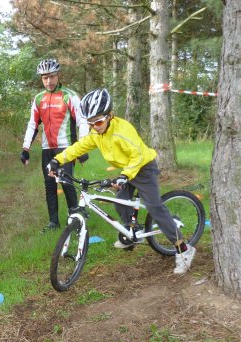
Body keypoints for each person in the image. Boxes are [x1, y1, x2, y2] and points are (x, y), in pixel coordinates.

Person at [46, 88, 195, 274]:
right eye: (90, 123)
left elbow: (138, 156)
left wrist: (125, 176)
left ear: (109, 115)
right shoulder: (97, 133)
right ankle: (133, 232)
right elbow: (79, 147)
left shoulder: (122, 131)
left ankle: (183, 250)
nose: (95, 126)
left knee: (154, 207)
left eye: (98, 121)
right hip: (127, 169)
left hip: (143, 167)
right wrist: (57, 160)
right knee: (120, 202)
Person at [21, 58, 89, 233]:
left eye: (51, 77)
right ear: (41, 79)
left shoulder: (69, 95)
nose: (48, 81)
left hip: (66, 147)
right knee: (50, 185)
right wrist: (25, 148)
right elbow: (32, 125)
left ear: (58, 75)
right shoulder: (38, 99)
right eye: (44, 78)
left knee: (66, 183)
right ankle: (53, 222)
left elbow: (82, 121)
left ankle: (75, 221)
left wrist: (82, 147)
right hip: (47, 149)